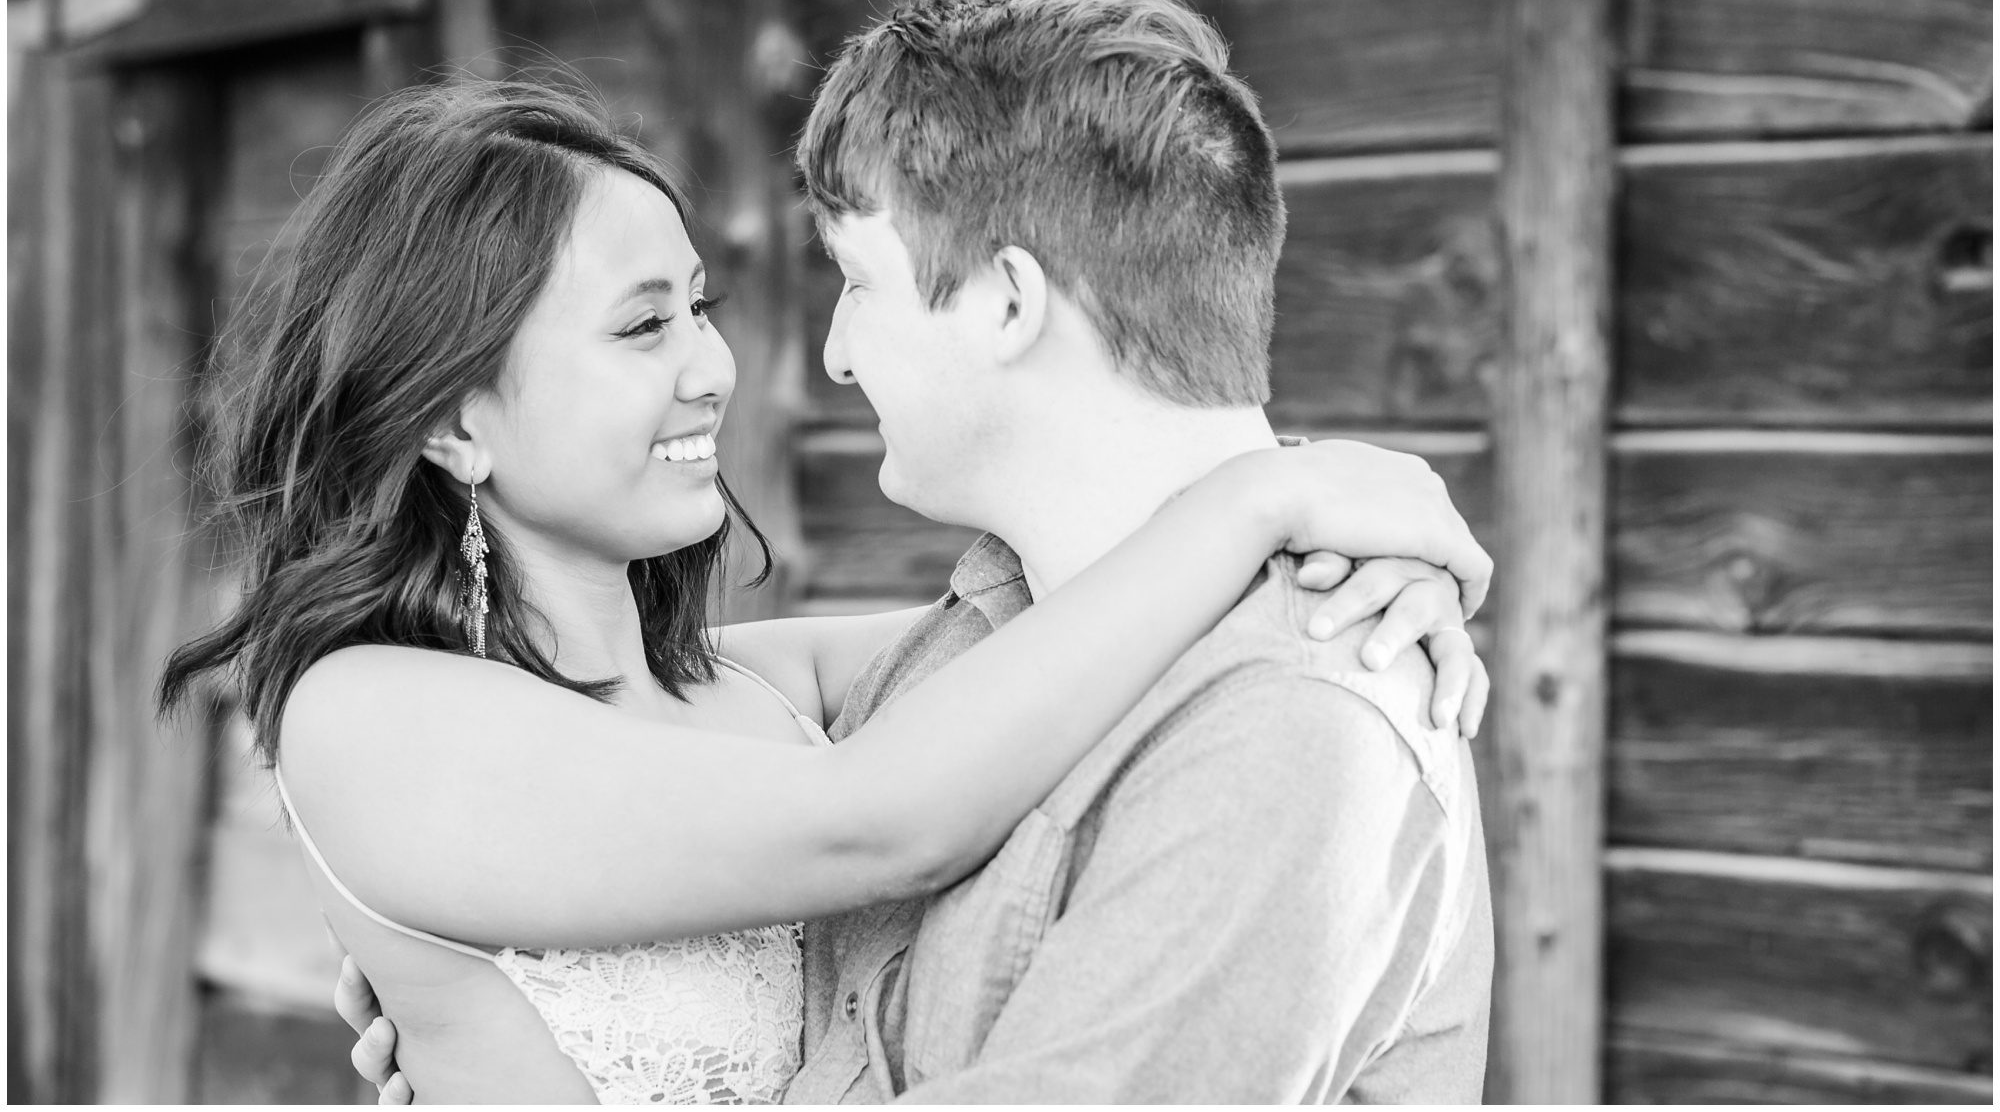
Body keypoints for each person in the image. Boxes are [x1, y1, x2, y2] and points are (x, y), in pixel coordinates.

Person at [161, 67, 1490, 1104]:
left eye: (701, 308)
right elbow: (883, 815)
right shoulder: (371, 717)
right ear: (454, 421)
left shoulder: (748, 685)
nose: (713, 369)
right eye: (640, 326)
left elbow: (1082, 622)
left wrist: (1364, 531)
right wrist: (1257, 500)